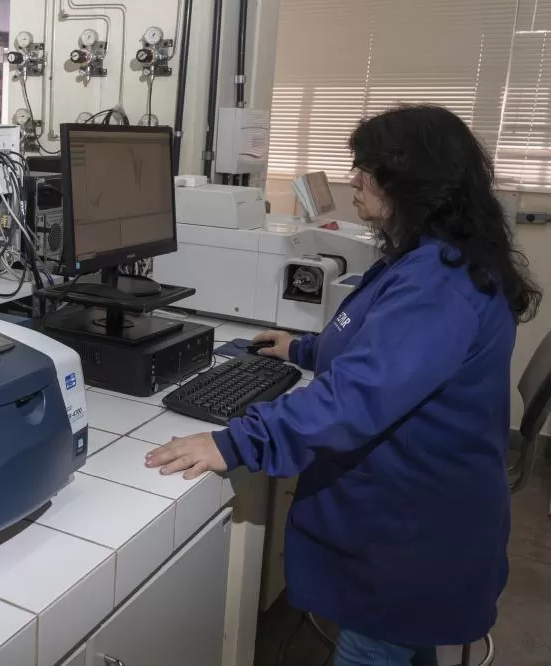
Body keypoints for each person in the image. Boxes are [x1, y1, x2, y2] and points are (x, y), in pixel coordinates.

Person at [146, 105, 543, 666]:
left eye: (366, 167)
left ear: (410, 181)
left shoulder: (438, 284)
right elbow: (383, 350)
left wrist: (234, 442)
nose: (352, 178)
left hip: (411, 535)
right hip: (425, 514)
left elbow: (357, 397)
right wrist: (301, 349)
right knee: (403, 645)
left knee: (377, 646)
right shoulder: (432, 260)